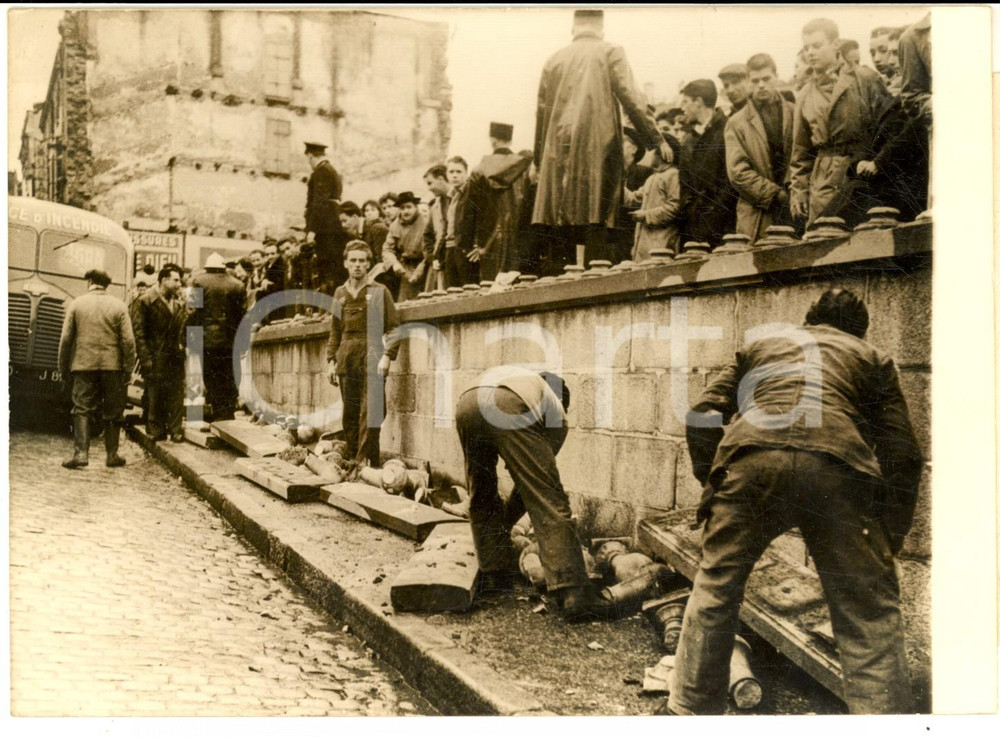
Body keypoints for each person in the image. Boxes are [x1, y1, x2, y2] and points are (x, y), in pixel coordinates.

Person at [661, 288, 923, 716]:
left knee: (715, 588)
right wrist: (890, 532)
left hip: (751, 464)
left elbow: (702, 412)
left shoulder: (762, 345)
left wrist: (714, 483)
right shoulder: (872, 358)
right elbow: (903, 453)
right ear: (860, 331)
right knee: (867, 612)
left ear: (808, 319)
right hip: (837, 471)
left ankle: (686, 712)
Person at [455, 366, 617, 621]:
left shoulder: (525, 380)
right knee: (550, 498)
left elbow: (519, 483)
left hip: (466, 401)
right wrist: (508, 522)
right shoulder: (556, 413)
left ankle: (494, 573)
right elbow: (533, 488)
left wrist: (500, 530)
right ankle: (575, 594)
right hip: (507, 400)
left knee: (481, 492)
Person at [532, 9, 670, 267]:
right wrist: (656, 138)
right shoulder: (611, 52)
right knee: (598, 224)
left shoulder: (553, 60)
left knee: (561, 234)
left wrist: (539, 162)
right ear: (601, 30)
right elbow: (631, 98)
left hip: (556, 159)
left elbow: (541, 115)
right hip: (598, 151)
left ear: (573, 29)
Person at [789, 18, 891, 228]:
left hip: (861, 175)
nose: (810, 53)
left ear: (835, 45)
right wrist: (798, 191)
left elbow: (889, 126)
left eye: (817, 46)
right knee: (823, 238)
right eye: (806, 47)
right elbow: (801, 151)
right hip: (823, 180)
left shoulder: (865, 79)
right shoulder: (805, 94)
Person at [325, 241, 400, 469]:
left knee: (373, 411)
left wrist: (388, 355)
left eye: (362, 261)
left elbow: (394, 328)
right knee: (350, 414)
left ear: (369, 264)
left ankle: (366, 463)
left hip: (372, 354)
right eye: (353, 261)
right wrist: (330, 360)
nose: (357, 265)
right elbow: (335, 330)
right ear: (346, 263)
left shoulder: (380, 291)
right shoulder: (340, 293)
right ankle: (354, 461)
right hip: (346, 356)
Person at [57, 269, 137, 469]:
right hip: (113, 368)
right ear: (106, 285)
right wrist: (128, 369)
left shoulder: (77, 304)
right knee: (113, 411)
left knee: (81, 408)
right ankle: (112, 455)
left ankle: (81, 453)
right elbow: (128, 341)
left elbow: (65, 340)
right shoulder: (119, 306)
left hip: (83, 365)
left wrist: (63, 368)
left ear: (90, 282)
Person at [853, 27, 929, 223]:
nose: (890, 60)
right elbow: (870, 131)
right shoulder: (888, 91)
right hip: (885, 175)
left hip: (907, 180)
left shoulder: (918, 90)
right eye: (892, 53)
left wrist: (878, 162)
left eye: (897, 53)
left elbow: (911, 132)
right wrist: (861, 160)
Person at [724, 53, 796, 244]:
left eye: (766, 79)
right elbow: (737, 172)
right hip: (758, 213)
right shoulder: (736, 123)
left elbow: (804, 154)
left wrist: (793, 187)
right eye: (755, 80)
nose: (761, 85)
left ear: (776, 77)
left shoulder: (795, 112)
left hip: (796, 205)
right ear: (748, 81)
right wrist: (775, 194)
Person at [459, 122, 533, 281]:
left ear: (493, 141)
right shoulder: (526, 168)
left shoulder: (478, 170)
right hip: (522, 241)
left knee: (491, 288)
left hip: (489, 244)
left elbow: (469, 211)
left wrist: (467, 245)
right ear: (510, 141)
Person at [678, 79, 737, 249]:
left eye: (686, 102)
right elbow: (684, 186)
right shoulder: (688, 139)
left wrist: (712, 217)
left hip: (721, 229)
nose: (683, 108)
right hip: (692, 230)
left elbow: (729, 182)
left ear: (698, 102)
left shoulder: (726, 130)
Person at [133, 264, 188, 443]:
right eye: (176, 280)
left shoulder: (179, 302)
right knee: (155, 394)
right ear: (164, 280)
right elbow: (139, 334)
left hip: (175, 357)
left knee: (176, 393)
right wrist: (145, 359)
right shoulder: (145, 301)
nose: (179, 284)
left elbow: (188, 326)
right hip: (155, 355)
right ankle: (156, 430)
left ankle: (175, 429)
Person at [188, 253, 245, 422]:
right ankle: (227, 414)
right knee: (229, 377)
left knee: (211, 377)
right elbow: (242, 316)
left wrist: (191, 340)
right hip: (230, 342)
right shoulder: (238, 285)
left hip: (206, 341)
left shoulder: (197, 282)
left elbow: (191, 313)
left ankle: (215, 412)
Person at [624, 135, 682, 261]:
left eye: (652, 150)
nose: (648, 154)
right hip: (645, 247)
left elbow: (675, 207)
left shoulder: (673, 175)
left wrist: (646, 215)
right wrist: (616, 181)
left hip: (663, 245)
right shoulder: (652, 178)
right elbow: (633, 199)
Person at [303, 141, 348, 294]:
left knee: (326, 269)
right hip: (331, 225)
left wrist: (312, 230)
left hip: (324, 228)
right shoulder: (332, 171)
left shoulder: (320, 171)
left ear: (310, 156)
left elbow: (319, 201)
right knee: (332, 267)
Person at [381, 191, 429, 303]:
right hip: (406, 269)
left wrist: (422, 267)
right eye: (402, 208)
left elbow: (431, 247)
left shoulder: (425, 222)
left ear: (416, 207)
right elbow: (387, 249)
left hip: (426, 265)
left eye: (409, 207)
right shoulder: (395, 225)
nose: (406, 211)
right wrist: (394, 263)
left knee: (428, 300)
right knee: (406, 303)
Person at [441, 156, 475, 288]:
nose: (454, 176)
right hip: (450, 248)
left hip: (465, 248)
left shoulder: (471, 192)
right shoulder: (450, 196)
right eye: (451, 172)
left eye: (459, 172)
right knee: (453, 288)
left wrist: (477, 244)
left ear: (466, 174)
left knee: (469, 287)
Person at [421, 164, 453, 292]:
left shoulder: (460, 197)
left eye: (430, 183)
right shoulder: (435, 207)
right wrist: (432, 258)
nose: (429, 188)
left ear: (441, 178)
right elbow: (427, 235)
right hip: (444, 261)